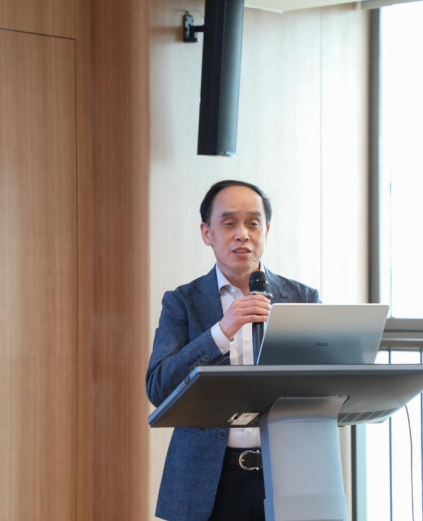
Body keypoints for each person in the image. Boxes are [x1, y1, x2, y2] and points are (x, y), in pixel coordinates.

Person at [146, 180, 321, 521]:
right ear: (206, 232)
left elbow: (323, 385)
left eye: (253, 223)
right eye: (229, 223)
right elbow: (159, 387)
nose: (242, 234)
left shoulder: (303, 299)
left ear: (266, 231)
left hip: (287, 475)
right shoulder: (182, 302)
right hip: (207, 484)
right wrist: (221, 332)